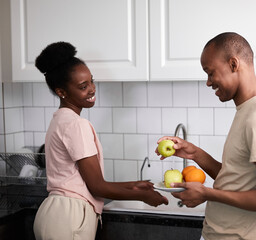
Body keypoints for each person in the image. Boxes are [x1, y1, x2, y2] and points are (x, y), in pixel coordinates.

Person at [156, 32, 256, 240]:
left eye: (210, 73)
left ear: (233, 64)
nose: (208, 82)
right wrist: (195, 153)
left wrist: (206, 193)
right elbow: (237, 181)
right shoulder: (248, 111)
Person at [33, 42, 168, 240]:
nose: (92, 89)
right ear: (61, 91)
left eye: (91, 81)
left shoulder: (61, 119)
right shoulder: (76, 124)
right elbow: (97, 186)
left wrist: (134, 185)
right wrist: (142, 196)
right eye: (83, 86)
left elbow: (84, 181)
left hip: (57, 214)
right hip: (69, 218)